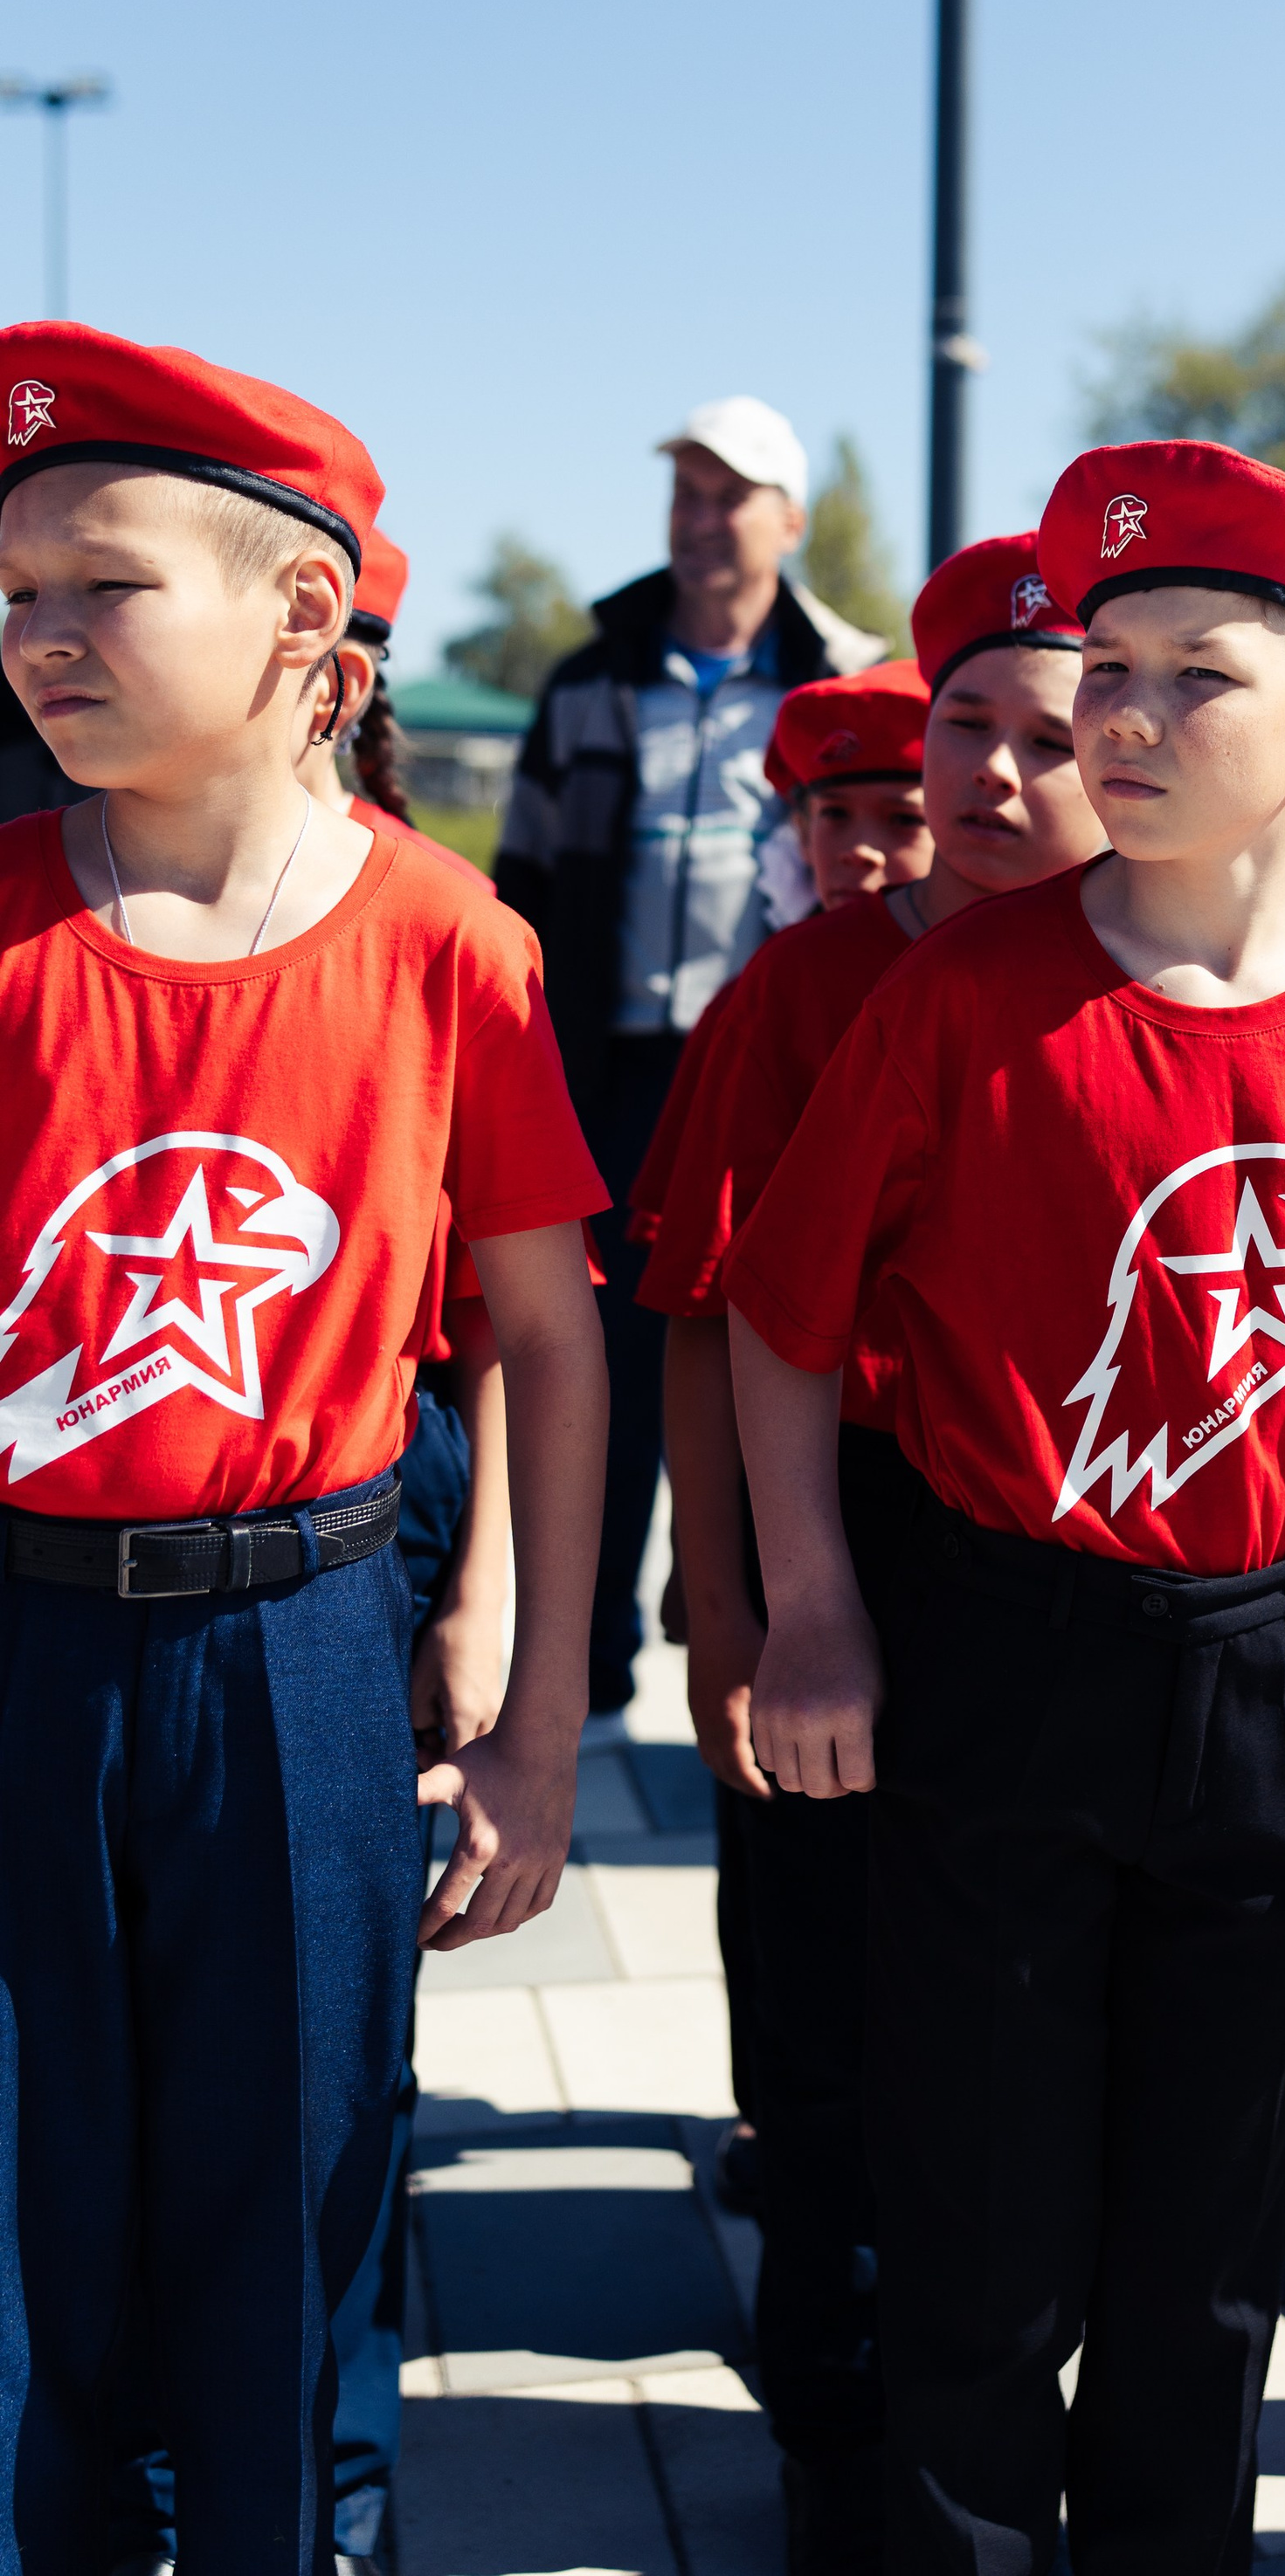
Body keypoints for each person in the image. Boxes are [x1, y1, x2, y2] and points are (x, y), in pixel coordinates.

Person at [725, 437, 1285, 2573]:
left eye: (1197, 673)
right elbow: (780, 1322)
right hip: (999, 1652)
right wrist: (810, 1607)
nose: (1123, 715)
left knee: (1201, 2254)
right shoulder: (957, 995)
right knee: (980, 2230)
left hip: (1279, 1667)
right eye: (1106, 665)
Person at [0, 320, 609, 2570]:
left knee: (290, 2185)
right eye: (17, 594)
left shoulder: (449, 940)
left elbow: (549, 1339)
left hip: (302, 1647)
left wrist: (532, 1718)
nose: (44, 635)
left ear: (303, 616)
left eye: (104, 583)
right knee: (26, 2221)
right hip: (25, 1633)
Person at [644, 536, 1102, 2573]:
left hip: (1052, 1569)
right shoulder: (804, 986)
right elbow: (699, 1310)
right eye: (960, 730)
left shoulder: (1153, 972)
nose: (991, 777)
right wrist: (724, 1599)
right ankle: (830, 2411)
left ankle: (997, 2412)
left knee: (1012, 2024)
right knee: (822, 2006)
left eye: (1046, 736)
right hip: (832, 1521)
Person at [495, 395, 881, 1730]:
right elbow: (525, 878)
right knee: (595, 1353)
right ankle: (588, 1669)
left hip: (786, 1077)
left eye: (731, 497)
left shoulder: (845, 676)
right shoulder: (588, 679)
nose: (704, 522)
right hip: (607, 1069)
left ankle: (751, 1620)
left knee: (760, 1341)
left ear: (792, 520)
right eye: (687, 495)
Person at [764, 657, 934, 917]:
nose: (860, 851)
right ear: (803, 835)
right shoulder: (782, 945)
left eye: (904, 818)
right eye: (835, 813)